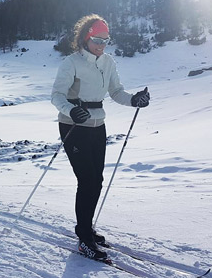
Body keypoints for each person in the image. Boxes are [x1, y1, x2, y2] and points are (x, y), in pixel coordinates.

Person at [51, 14, 150, 260]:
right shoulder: (71, 62)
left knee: (96, 180)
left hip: (98, 126)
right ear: (86, 38)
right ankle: (84, 238)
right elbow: (56, 96)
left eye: (106, 40)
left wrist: (134, 100)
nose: (101, 45)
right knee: (86, 180)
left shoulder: (108, 62)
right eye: (97, 39)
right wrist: (72, 110)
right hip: (74, 127)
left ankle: (85, 228)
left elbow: (116, 91)